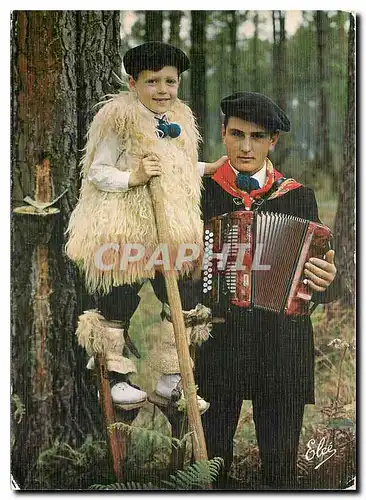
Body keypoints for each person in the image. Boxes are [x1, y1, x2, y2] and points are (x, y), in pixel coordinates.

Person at [66, 42, 225, 410]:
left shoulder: (179, 120)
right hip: (126, 224)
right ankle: (116, 377)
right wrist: (133, 176)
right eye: (152, 81)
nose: (162, 90)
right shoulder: (118, 118)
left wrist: (205, 169)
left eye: (170, 81)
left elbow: (177, 167)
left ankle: (172, 377)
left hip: (167, 226)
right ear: (133, 83)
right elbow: (97, 171)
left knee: (180, 296)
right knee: (119, 297)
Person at [195, 91, 338, 489]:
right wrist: (195, 278)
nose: (245, 146)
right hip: (218, 342)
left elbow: (319, 275)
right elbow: (173, 270)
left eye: (257, 136)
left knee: (280, 470)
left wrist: (325, 282)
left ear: (272, 141)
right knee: (210, 467)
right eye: (236, 134)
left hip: (281, 347)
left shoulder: (298, 196)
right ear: (222, 133)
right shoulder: (202, 193)